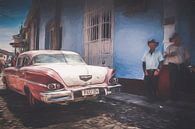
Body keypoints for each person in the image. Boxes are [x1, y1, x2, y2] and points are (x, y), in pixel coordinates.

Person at [164, 33, 190, 100]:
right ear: (173, 40)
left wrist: (188, 66)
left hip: (182, 65)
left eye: (178, 39)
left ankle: (179, 97)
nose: (176, 40)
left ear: (180, 40)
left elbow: (187, 57)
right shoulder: (170, 47)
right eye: (175, 39)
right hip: (172, 66)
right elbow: (164, 56)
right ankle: (172, 97)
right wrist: (169, 55)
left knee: (180, 80)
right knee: (173, 81)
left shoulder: (183, 47)